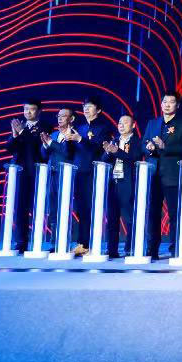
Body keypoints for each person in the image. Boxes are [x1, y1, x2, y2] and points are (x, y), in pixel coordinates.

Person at [141, 90, 182, 260]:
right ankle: (152, 248)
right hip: (153, 174)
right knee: (152, 213)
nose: (167, 105)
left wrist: (164, 147)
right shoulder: (153, 123)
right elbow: (143, 143)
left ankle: (175, 248)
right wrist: (148, 148)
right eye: (165, 102)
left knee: (174, 214)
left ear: (177, 105)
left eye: (171, 102)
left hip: (172, 174)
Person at [68, 96, 113, 256]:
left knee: (92, 208)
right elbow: (72, 151)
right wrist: (67, 140)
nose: (86, 109)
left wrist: (81, 139)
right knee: (81, 209)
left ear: (98, 109)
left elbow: (100, 149)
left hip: (94, 172)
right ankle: (82, 243)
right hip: (78, 172)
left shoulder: (104, 128)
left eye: (90, 106)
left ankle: (93, 243)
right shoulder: (79, 127)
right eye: (84, 106)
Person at [5, 98, 45, 253]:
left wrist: (22, 131)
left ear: (39, 111)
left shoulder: (45, 126)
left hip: (36, 172)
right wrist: (15, 135)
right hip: (19, 172)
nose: (28, 112)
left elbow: (35, 144)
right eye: (26, 109)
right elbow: (9, 148)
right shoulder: (20, 125)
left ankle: (37, 242)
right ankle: (21, 242)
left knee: (37, 207)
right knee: (20, 207)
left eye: (32, 109)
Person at [101, 115, 140, 259]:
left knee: (129, 218)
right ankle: (112, 249)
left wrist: (116, 151)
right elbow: (104, 160)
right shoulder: (114, 141)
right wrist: (107, 151)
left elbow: (133, 158)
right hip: (113, 183)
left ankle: (130, 249)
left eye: (125, 123)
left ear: (133, 125)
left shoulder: (137, 141)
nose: (121, 125)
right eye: (119, 123)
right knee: (112, 218)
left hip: (128, 183)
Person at [40, 107, 79, 249]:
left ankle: (65, 240)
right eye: (58, 116)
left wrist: (51, 143)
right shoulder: (54, 134)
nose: (60, 118)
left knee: (65, 208)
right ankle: (54, 241)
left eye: (63, 116)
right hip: (52, 174)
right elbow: (44, 155)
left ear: (71, 119)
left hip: (67, 175)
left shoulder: (75, 135)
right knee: (53, 208)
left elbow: (67, 153)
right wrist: (45, 145)